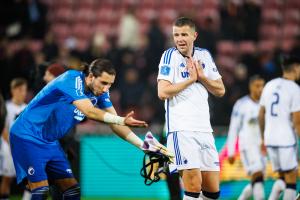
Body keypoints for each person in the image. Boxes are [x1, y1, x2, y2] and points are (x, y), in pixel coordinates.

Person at [9, 58, 153, 199]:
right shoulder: (71, 79)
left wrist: (145, 146)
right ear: (90, 76)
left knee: (72, 190)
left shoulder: (100, 92)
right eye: (103, 83)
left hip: (49, 141)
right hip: (27, 134)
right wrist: (121, 119)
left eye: (110, 84)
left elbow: (116, 124)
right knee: (41, 189)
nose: (106, 89)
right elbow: (90, 111)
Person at [157, 17, 225, 200]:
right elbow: (162, 92)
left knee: (212, 191)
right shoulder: (169, 56)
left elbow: (220, 90)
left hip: (204, 129)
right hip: (181, 129)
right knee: (193, 186)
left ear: (194, 35)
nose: (179, 38)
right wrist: (190, 80)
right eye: (176, 34)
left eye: (184, 34)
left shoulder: (204, 55)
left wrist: (202, 77)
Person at [258, 54, 300, 200]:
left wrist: (263, 138)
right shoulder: (295, 89)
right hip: (286, 140)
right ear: (296, 67)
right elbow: (297, 123)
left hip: (270, 139)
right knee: (291, 180)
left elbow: (261, 114)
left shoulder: (270, 85)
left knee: (282, 178)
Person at [227, 75, 265, 200]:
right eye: (257, 86)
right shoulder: (241, 104)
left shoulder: (265, 104)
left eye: (262, 86)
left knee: (257, 180)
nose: (260, 89)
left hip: (262, 148)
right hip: (248, 147)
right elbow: (233, 128)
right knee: (258, 176)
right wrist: (230, 151)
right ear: (251, 87)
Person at [0, 78, 31, 200]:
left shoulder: (28, 108)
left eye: (24, 90)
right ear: (13, 90)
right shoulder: (6, 107)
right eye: (20, 89)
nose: (22, 93)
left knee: (31, 177)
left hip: (24, 149)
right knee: (7, 179)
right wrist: (13, 144)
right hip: (8, 149)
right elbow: (3, 128)